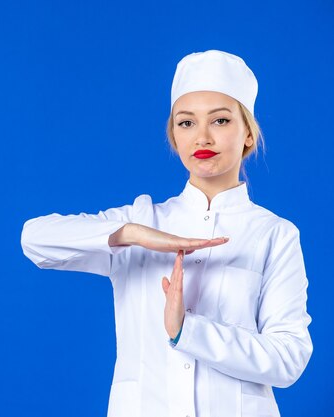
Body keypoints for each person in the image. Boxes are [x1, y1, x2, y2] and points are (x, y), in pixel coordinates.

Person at [20, 50, 312, 417]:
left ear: (249, 134)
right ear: (174, 136)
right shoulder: (141, 220)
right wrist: (132, 234)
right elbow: (34, 239)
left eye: (220, 121)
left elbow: (288, 359)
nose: (201, 137)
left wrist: (187, 331)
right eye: (186, 123)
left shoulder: (274, 234)